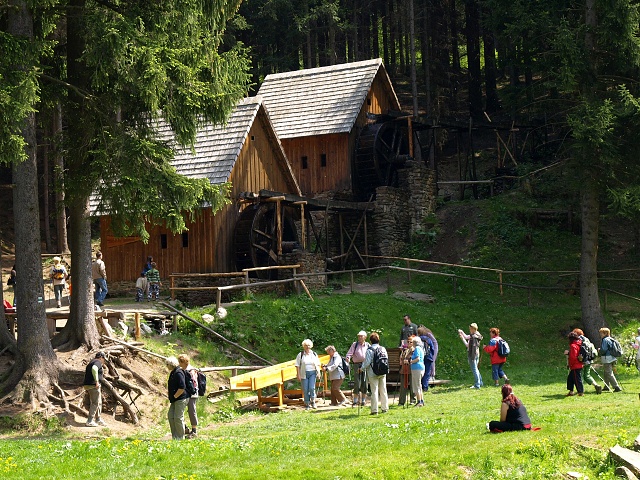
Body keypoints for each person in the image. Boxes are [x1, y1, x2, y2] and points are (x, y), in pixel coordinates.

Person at [360, 332, 388, 415]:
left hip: (373, 373)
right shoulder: (383, 348)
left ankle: (374, 410)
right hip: (382, 372)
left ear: (371, 341)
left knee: (374, 391)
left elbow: (367, 362)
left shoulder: (369, 350)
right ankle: (385, 408)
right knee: (383, 390)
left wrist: (361, 369)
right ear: (378, 340)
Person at [573, 328, 603, 394]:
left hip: (581, 361)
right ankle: (596, 385)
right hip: (589, 360)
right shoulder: (587, 339)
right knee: (587, 375)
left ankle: (580, 390)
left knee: (579, 375)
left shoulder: (578, 340)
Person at [167, 356, 189, 440]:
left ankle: (180, 437)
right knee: (171, 416)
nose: (166, 366)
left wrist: (175, 396)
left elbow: (182, 387)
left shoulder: (179, 372)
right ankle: (175, 436)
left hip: (181, 398)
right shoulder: (173, 372)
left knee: (178, 418)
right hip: (175, 399)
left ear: (171, 364)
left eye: (167, 364)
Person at [345, 330, 369, 406]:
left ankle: (363, 401)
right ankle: (355, 401)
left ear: (365, 337)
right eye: (358, 336)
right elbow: (349, 353)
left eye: (361, 336)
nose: (359, 337)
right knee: (357, 382)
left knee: (364, 382)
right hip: (356, 365)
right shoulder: (355, 345)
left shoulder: (368, 345)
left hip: (365, 365)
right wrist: (348, 357)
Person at [295, 339, 321, 410]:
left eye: (308, 345)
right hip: (304, 373)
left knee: (312, 388)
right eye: (306, 345)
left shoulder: (314, 354)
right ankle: (307, 403)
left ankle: (313, 401)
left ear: (311, 346)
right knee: (305, 389)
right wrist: (298, 375)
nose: (307, 347)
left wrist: (319, 373)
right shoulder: (300, 354)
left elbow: (318, 364)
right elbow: (297, 365)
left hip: (313, 372)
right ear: (303, 346)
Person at [83, 351, 106, 427]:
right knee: (95, 402)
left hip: (88, 384)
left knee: (99, 401)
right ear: (101, 357)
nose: (104, 361)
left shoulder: (92, 361)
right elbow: (94, 369)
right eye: (104, 359)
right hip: (93, 385)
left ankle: (98, 419)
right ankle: (89, 421)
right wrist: (96, 381)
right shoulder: (97, 362)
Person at [458, 323, 484, 389]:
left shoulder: (473, 338)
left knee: (474, 370)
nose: (469, 330)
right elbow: (467, 336)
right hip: (477, 354)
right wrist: (462, 332)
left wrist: (462, 338)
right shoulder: (477, 335)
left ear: (473, 329)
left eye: (470, 329)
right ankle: (480, 382)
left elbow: (467, 345)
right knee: (476, 369)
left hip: (472, 355)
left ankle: (477, 385)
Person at [599, 327, 622, 392]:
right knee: (606, 372)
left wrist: (599, 351)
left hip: (607, 358)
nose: (600, 335)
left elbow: (603, 349)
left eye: (601, 333)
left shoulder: (605, 340)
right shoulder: (611, 339)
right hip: (612, 357)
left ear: (605, 333)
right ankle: (606, 386)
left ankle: (616, 387)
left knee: (608, 372)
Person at [182, 354, 199, 437]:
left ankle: (194, 430)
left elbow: (192, 383)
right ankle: (184, 427)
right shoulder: (184, 369)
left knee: (192, 411)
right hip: (185, 393)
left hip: (192, 393)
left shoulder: (191, 370)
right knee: (180, 410)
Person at [564, 331, 584, 396]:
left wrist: (570, 364)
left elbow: (573, 357)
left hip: (575, 365)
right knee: (570, 378)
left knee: (577, 379)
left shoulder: (573, 345)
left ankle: (580, 392)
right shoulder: (579, 344)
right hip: (579, 364)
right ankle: (571, 391)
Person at [398, 337, 416, 406]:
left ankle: (413, 400)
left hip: (411, 369)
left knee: (412, 385)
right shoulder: (405, 350)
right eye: (408, 342)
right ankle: (401, 401)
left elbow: (414, 358)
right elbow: (401, 360)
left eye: (410, 342)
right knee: (403, 386)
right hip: (404, 370)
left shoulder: (414, 350)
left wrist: (408, 361)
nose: (409, 343)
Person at [417, 325, 435, 391]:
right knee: (427, 372)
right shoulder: (428, 339)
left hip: (420, 358)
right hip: (428, 357)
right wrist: (432, 356)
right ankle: (425, 387)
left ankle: (420, 386)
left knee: (420, 372)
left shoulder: (417, 340)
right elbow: (432, 348)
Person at [409, 336, 425, 406]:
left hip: (417, 368)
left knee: (417, 385)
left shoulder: (417, 349)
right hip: (419, 368)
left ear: (414, 343)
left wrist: (411, 362)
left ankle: (419, 401)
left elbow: (418, 358)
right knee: (419, 385)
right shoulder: (420, 348)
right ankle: (421, 400)